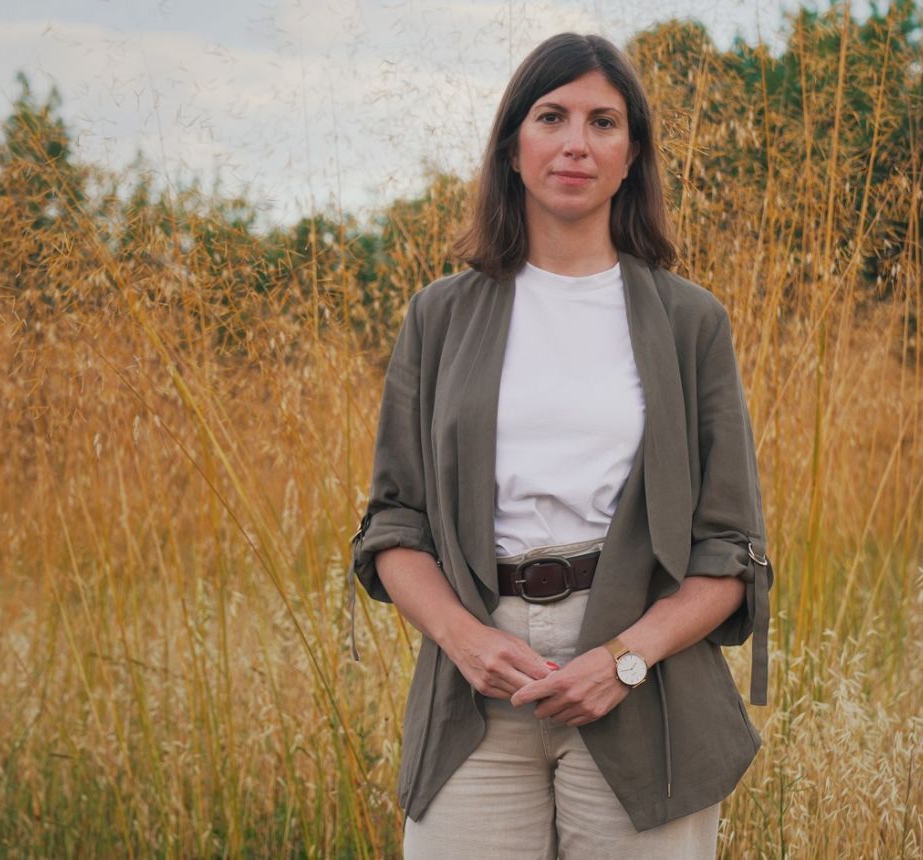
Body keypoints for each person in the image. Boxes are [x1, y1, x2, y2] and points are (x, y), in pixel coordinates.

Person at [348, 31, 773, 860]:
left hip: (639, 679)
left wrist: (621, 660)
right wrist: (468, 644)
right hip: (477, 683)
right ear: (513, 146)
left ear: (631, 156)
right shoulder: (440, 315)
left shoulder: (691, 322)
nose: (576, 142)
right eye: (552, 116)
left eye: (603, 123)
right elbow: (395, 525)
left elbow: (729, 552)